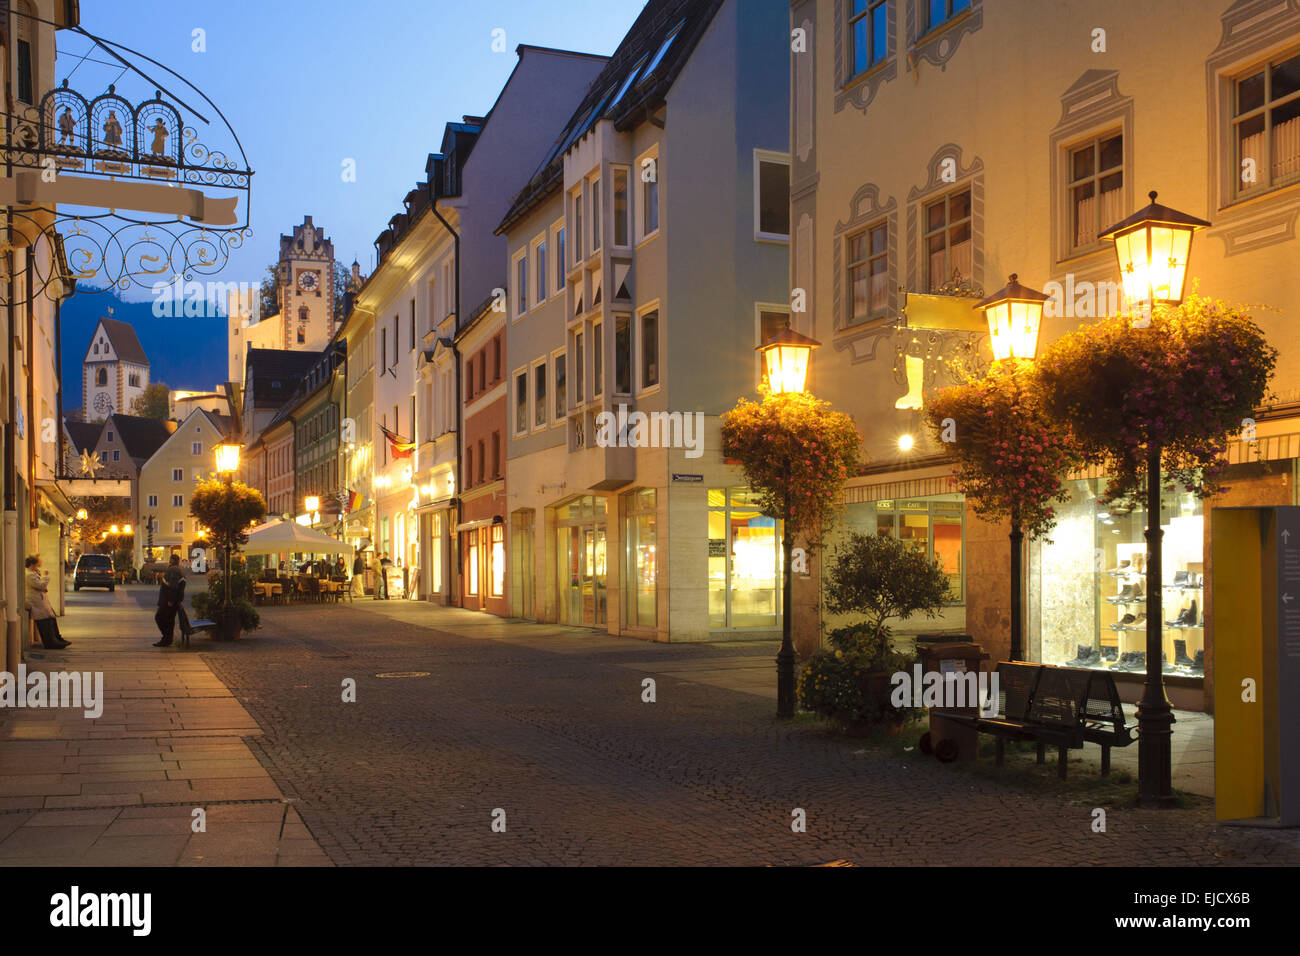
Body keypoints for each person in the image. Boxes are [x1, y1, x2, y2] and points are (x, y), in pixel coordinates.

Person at [25, 556, 69, 649]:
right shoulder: (29, 575)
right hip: (35, 602)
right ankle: (51, 642)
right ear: (33, 564)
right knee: (45, 621)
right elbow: (41, 585)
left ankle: (57, 639)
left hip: (40, 601)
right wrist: (46, 576)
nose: (40, 563)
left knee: (51, 617)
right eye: (39, 562)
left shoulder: (34, 573)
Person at [153, 554, 186, 648]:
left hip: (168, 602)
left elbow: (174, 586)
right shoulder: (177, 569)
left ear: (171, 560)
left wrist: (171, 600)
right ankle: (167, 639)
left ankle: (166, 638)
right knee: (169, 621)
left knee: (159, 617)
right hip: (172, 601)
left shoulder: (173, 570)